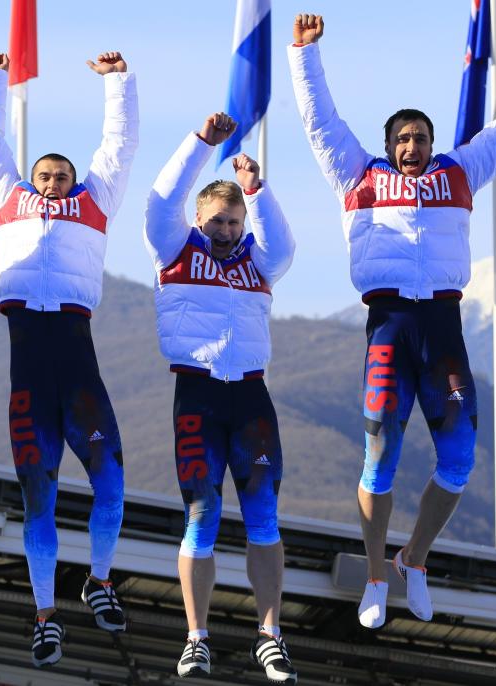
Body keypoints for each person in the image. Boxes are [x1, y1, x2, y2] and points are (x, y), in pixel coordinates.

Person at [287, 13, 496, 629]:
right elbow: (319, 122)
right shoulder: (357, 178)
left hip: (443, 330)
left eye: (421, 137)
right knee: (378, 452)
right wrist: (304, 53)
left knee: (459, 456)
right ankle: (377, 573)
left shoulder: (459, 174)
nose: (412, 146)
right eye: (403, 139)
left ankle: (415, 559)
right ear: (389, 148)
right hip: (387, 326)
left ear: (433, 145)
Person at [0, 51, 139, 667]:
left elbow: (119, 147)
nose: (52, 183)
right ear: (28, 180)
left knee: (112, 484)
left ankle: (98, 581)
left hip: (78, 363)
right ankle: (45, 616)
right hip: (28, 371)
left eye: (62, 176)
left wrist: (117, 83)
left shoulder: (94, 203)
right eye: (43, 175)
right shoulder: (6, 199)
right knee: (38, 499)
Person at [144, 113, 297, 683]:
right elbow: (162, 200)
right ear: (198, 218)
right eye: (216, 220)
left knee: (264, 518)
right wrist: (200, 143)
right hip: (197, 396)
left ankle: (270, 634)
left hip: (252, 399)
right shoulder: (174, 247)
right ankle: (196, 637)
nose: (226, 229)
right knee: (202, 516)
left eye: (234, 221)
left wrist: (256, 188)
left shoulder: (260, 260)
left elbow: (283, 243)